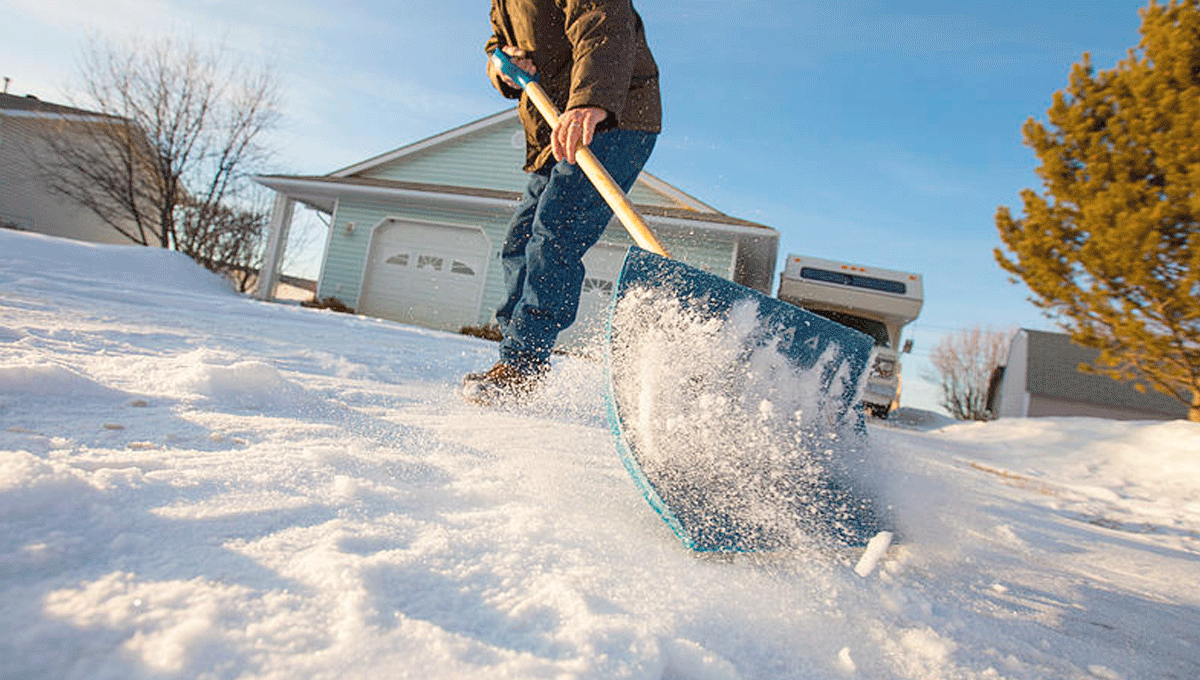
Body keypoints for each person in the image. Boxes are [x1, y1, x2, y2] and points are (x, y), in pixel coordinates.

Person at [463, 0, 661, 404]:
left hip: (612, 116)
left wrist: (591, 99)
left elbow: (603, 20)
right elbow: (497, 47)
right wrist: (501, 67)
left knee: (555, 232)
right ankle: (514, 353)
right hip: (552, 130)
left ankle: (522, 364)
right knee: (520, 241)